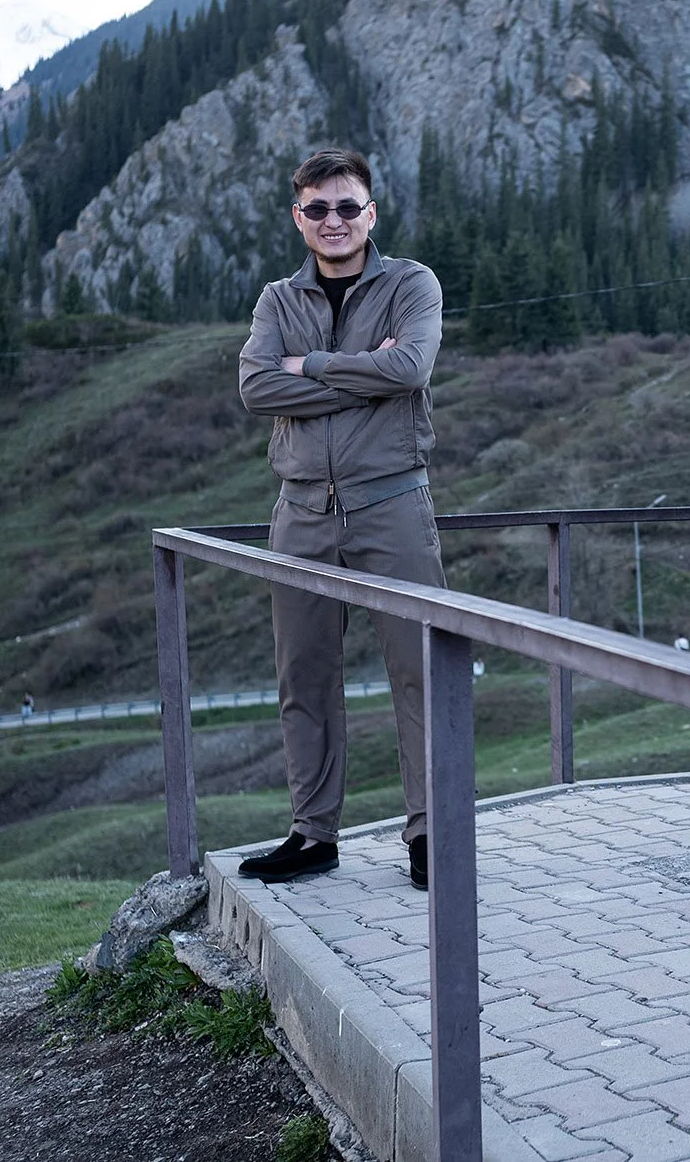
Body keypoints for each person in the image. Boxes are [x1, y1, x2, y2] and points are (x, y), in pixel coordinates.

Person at [237, 148, 447, 891]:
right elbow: (256, 387)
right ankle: (312, 834)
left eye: (348, 206)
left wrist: (312, 366)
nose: (335, 220)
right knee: (304, 676)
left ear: (371, 213)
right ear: (298, 218)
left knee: (421, 672)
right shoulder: (276, 300)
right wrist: (364, 372)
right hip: (299, 513)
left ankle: (432, 835)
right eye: (318, 208)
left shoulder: (412, 284)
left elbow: (410, 368)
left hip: (392, 507)